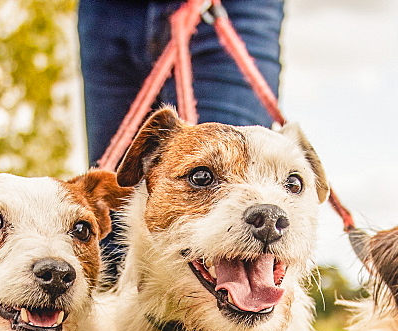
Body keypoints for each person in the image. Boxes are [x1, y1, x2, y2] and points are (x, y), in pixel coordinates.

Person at [77, 0, 285, 280]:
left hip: (233, 7)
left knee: (240, 220)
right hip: (107, 11)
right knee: (112, 225)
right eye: (200, 177)